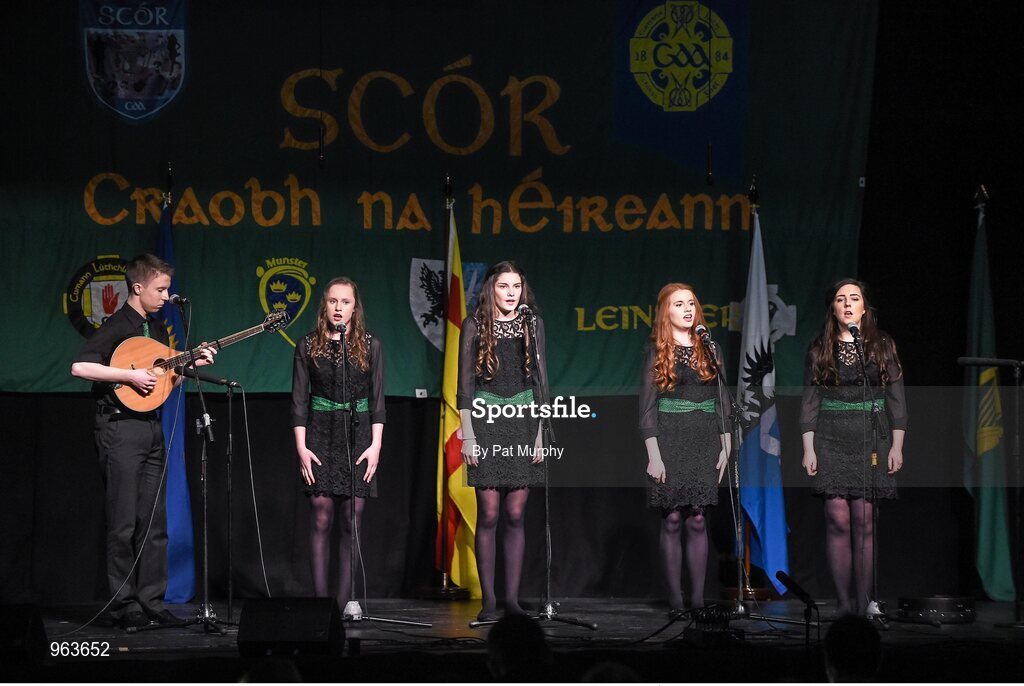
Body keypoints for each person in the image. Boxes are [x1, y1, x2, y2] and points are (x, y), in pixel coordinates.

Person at [71, 253, 216, 630]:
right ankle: (124, 605)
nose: (167, 296)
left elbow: (163, 382)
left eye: (168, 289)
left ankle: (152, 600)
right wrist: (129, 376)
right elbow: (80, 366)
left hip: (150, 428)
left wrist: (191, 364)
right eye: (161, 289)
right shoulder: (118, 324)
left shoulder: (156, 330)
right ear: (138, 288)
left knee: (154, 521)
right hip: (120, 430)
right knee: (122, 522)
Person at [801, 278, 907, 616]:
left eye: (854, 298)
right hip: (831, 437)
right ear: (832, 308)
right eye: (840, 299)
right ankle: (844, 604)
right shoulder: (820, 348)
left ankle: (864, 603)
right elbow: (809, 403)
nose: (847, 304)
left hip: (871, 438)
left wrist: (897, 445)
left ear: (865, 306)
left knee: (864, 519)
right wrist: (808, 447)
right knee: (837, 519)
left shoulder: (881, 346)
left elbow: (897, 400)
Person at [457, 261, 547, 622]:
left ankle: (512, 600)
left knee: (515, 513)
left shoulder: (533, 324)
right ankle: (489, 601)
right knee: (490, 513)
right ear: (491, 289)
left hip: (524, 423)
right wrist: (469, 435)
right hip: (487, 420)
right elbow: (465, 386)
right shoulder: (474, 325)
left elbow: (542, 383)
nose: (511, 293)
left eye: (516, 286)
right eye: (503, 286)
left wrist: (540, 432)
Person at [291, 277, 385, 608]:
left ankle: (344, 602)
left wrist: (375, 446)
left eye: (345, 302)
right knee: (321, 515)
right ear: (324, 305)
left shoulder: (371, 345)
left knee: (351, 520)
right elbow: (300, 401)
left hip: (358, 435)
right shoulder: (306, 345)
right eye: (333, 301)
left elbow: (377, 402)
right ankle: (320, 605)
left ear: (355, 308)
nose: (338, 308)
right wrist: (302, 448)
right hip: (319, 433)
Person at [638, 283, 730, 616]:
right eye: (679, 304)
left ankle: (698, 600)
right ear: (667, 312)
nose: (688, 309)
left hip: (704, 439)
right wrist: (654, 454)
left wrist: (726, 443)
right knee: (673, 517)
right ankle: (675, 600)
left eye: (692, 303)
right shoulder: (656, 351)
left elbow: (722, 400)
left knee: (697, 518)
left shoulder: (710, 348)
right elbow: (647, 407)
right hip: (669, 439)